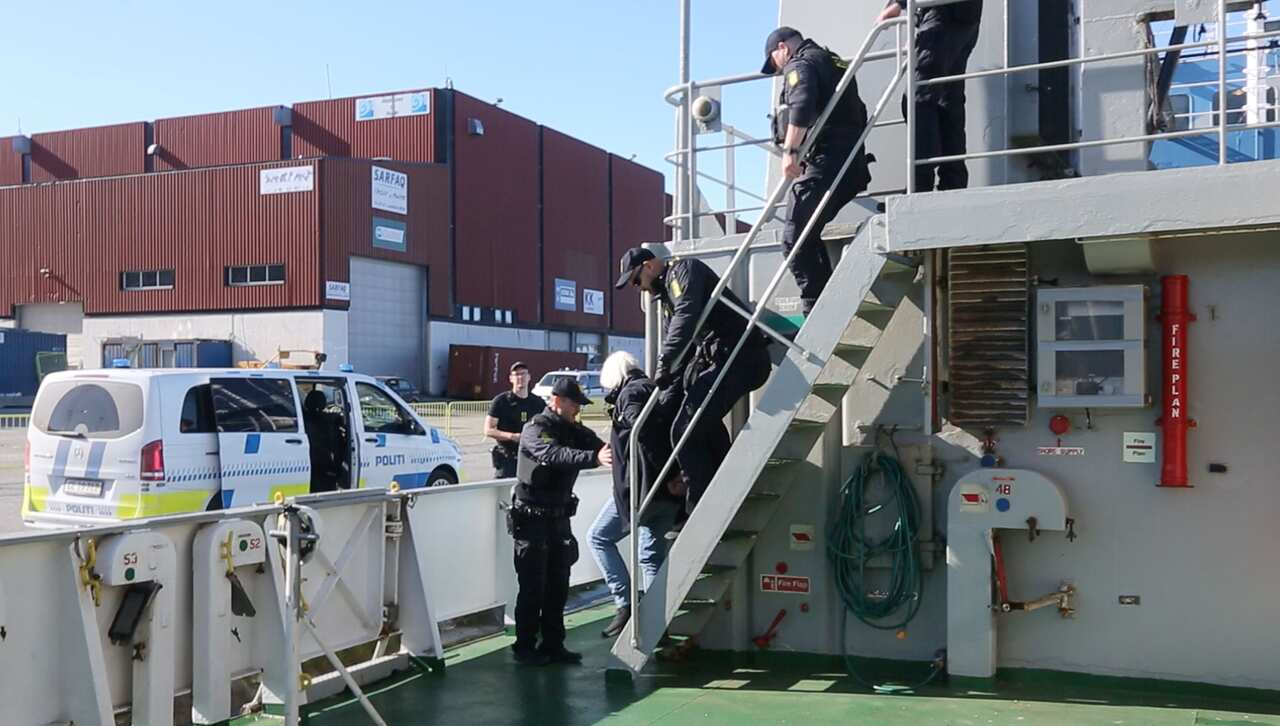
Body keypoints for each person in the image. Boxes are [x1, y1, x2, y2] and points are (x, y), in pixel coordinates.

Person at [614, 247, 772, 512]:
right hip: (727, 360)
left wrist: (664, 362)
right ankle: (726, 491)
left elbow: (686, 317)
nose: (637, 287)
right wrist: (662, 401)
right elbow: (680, 353)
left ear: (650, 265)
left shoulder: (683, 271)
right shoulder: (667, 300)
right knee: (698, 425)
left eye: (635, 279)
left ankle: (704, 508)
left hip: (743, 358)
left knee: (685, 431)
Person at [762, 26, 872, 316]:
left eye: (775, 62)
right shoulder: (831, 59)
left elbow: (801, 103)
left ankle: (819, 311)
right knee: (807, 233)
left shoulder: (800, 63)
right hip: (851, 162)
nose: (779, 69)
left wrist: (790, 152)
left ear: (782, 47)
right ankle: (828, 303)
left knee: (794, 235)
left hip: (828, 161)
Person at [509, 378, 612, 666]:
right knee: (532, 586)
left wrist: (612, 448)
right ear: (557, 401)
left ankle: (553, 644)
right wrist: (593, 458)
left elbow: (601, 447)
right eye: (574, 403)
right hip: (531, 519)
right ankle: (525, 646)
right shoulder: (536, 428)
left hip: (558, 519)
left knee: (558, 583)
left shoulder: (574, 430)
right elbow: (552, 454)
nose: (577, 409)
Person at [587, 351, 684, 638]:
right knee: (650, 558)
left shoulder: (630, 394)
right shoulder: (654, 389)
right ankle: (657, 623)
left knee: (599, 537)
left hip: (642, 491)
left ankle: (625, 604)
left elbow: (641, 433)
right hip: (667, 493)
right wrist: (675, 475)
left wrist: (664, 477)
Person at [877, 0, 983, 192]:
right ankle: (953, 182)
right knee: (948, 103)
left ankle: (920, 183)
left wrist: (898, 5)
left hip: (944, 14)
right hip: (962, 16)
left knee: (918, 99)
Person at [485, 362, 546, 479]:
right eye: (516, 374)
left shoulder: (538, 403)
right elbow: (488, 430)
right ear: (511, 379)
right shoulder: (501, 401)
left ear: (529, 377)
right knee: (504, 495)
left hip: (531, 459)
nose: (520, 377)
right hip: (507, 459)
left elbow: (546, 430)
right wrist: (513, 436)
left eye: (523, 374)